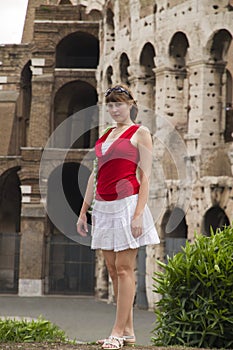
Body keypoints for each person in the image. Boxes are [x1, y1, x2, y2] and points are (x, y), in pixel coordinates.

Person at [77, 84, 160, 350]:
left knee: (125, 269)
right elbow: (95, 174)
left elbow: (145, 176)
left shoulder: (141, 133)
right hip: (103, 206)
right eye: (110, 105)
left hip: (127, 205)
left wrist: (138, 215)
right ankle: (128, 332)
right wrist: (83, 212)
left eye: (119, 104)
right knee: (113, 269)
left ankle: (116, 332)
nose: (114, 109)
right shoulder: (105, 136)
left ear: (131, 104)